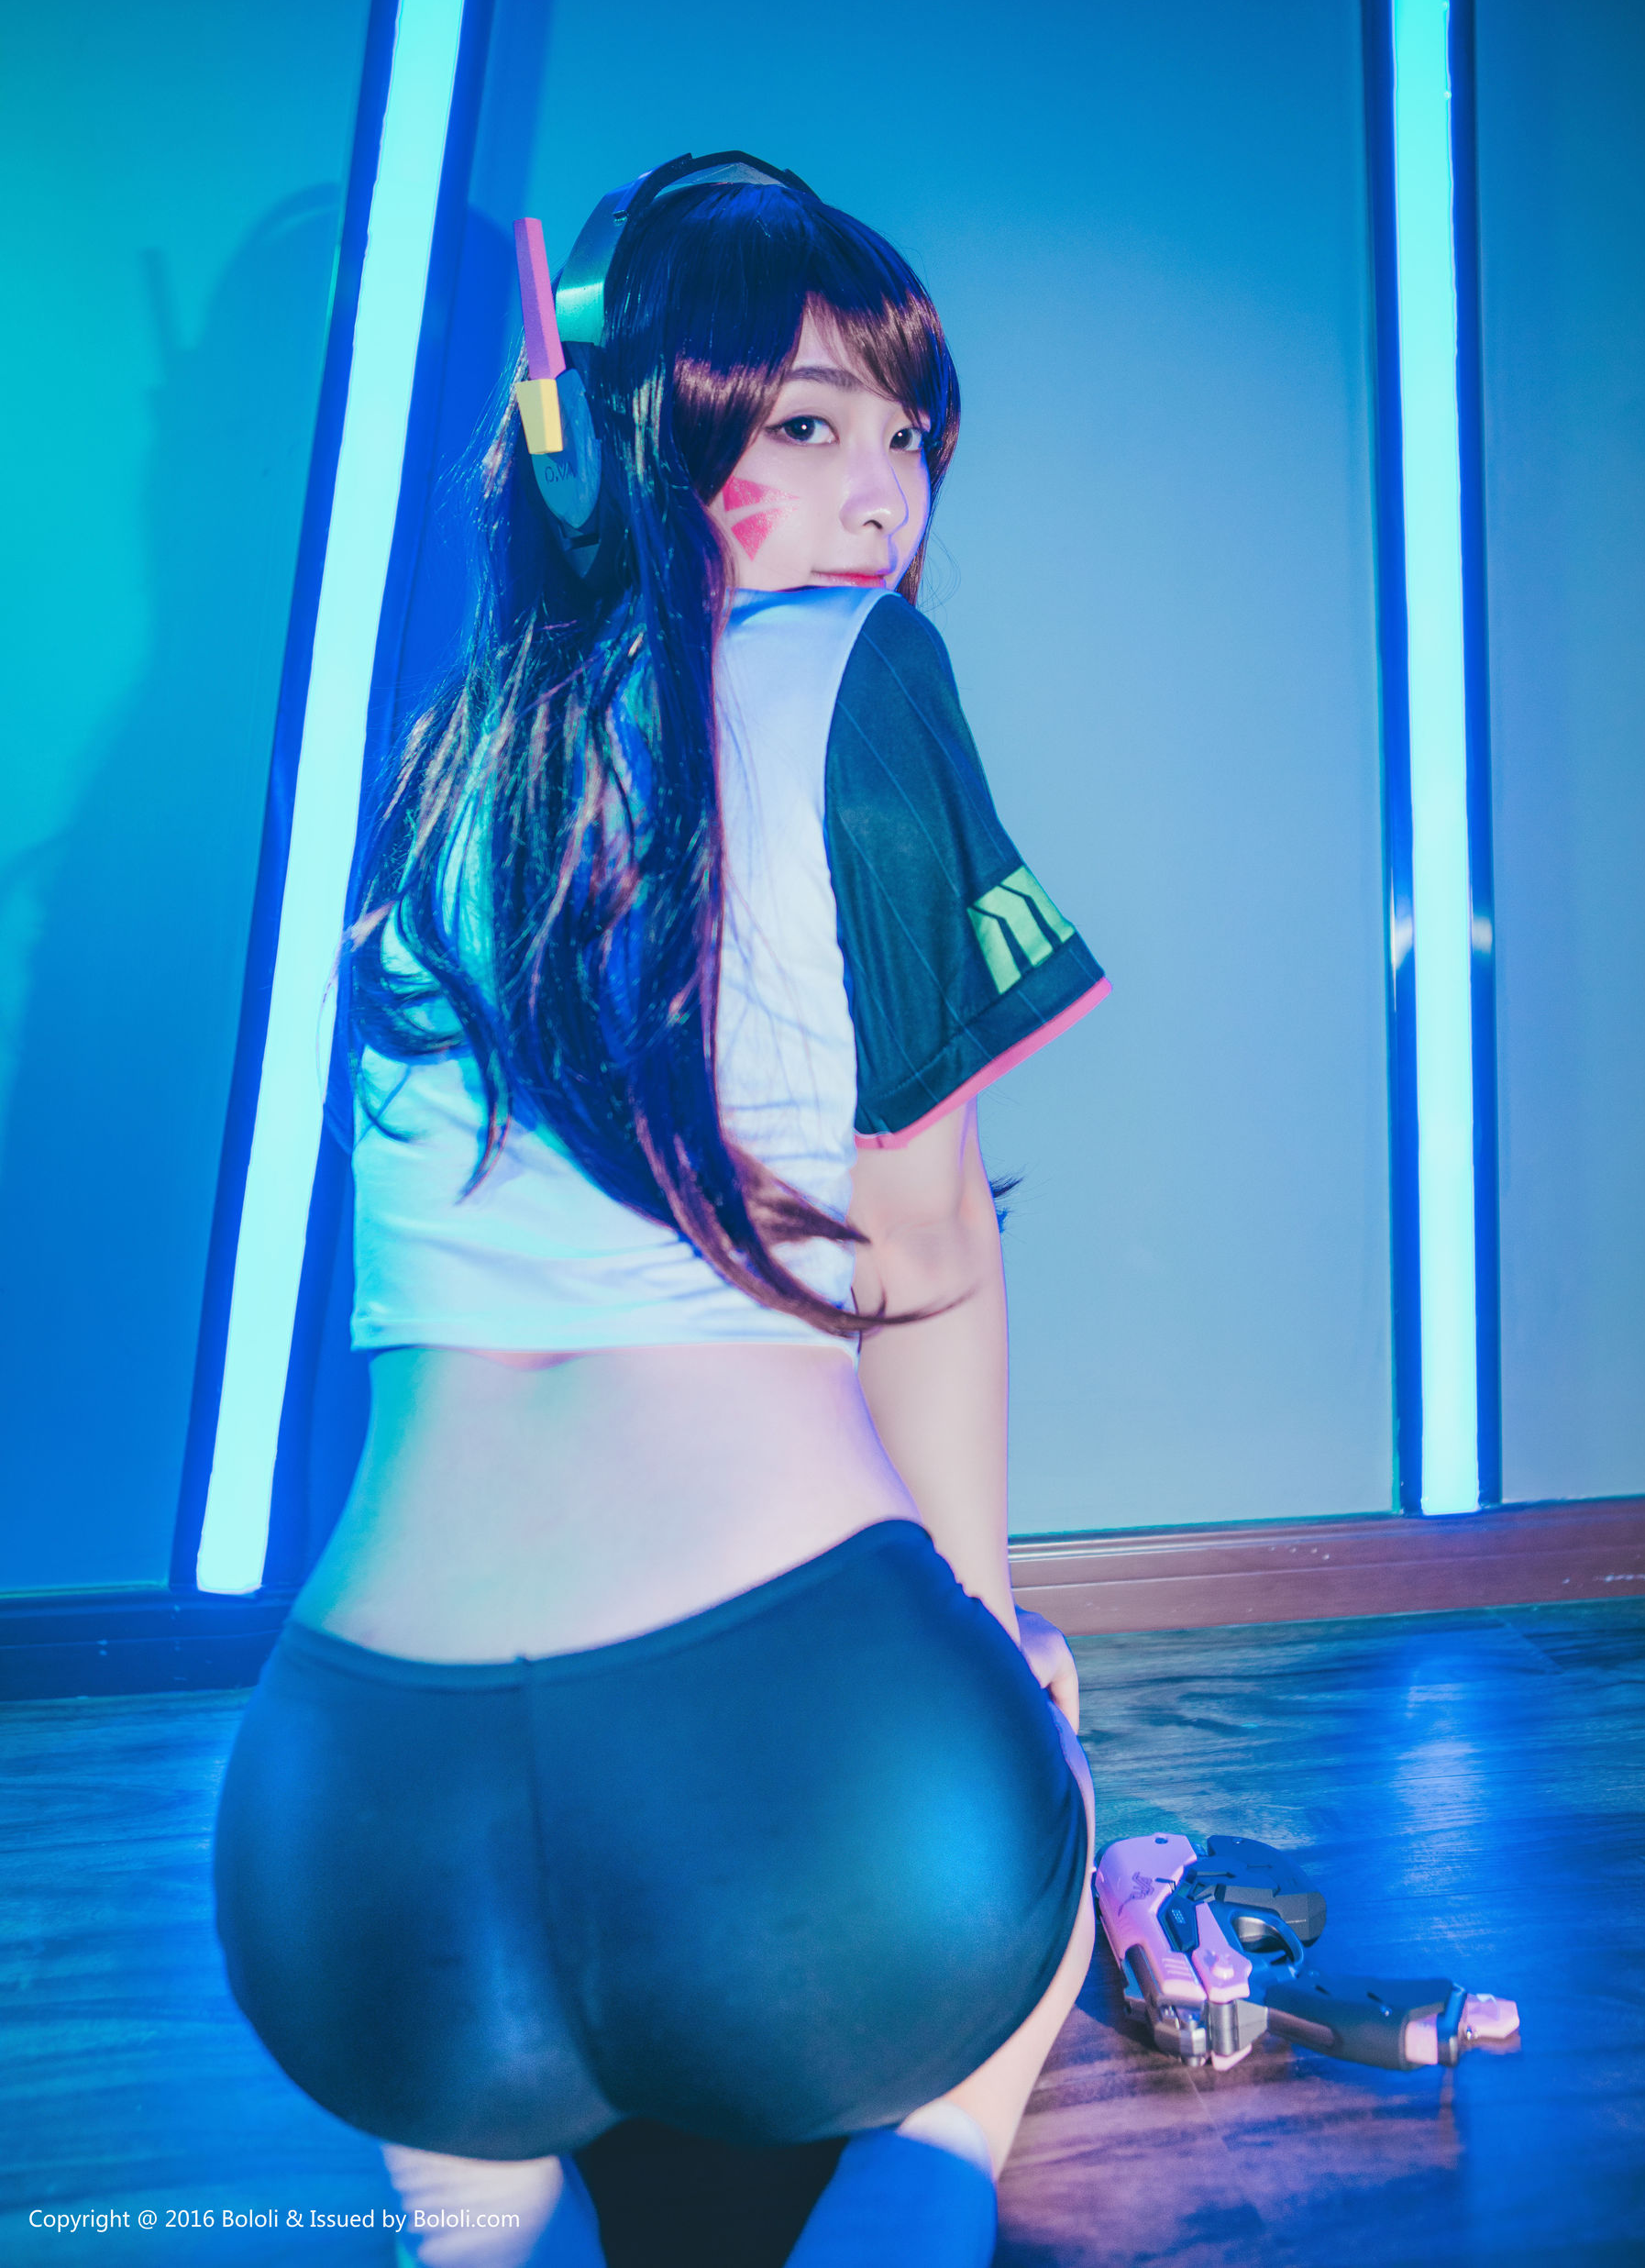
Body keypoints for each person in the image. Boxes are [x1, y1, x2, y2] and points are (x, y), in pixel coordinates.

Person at [214, 156, 1110, 2268]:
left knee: (497, 2166)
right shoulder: (856, 671)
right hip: (803, 1814)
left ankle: (481, 2199)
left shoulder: (443, 769)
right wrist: (998, 1669)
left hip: (343, 1845)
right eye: (808, 423)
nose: (885, 493)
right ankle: (929, 2169)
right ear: (643, 438)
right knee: (1032, 1776)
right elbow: (929, 1263)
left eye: (910, 434)